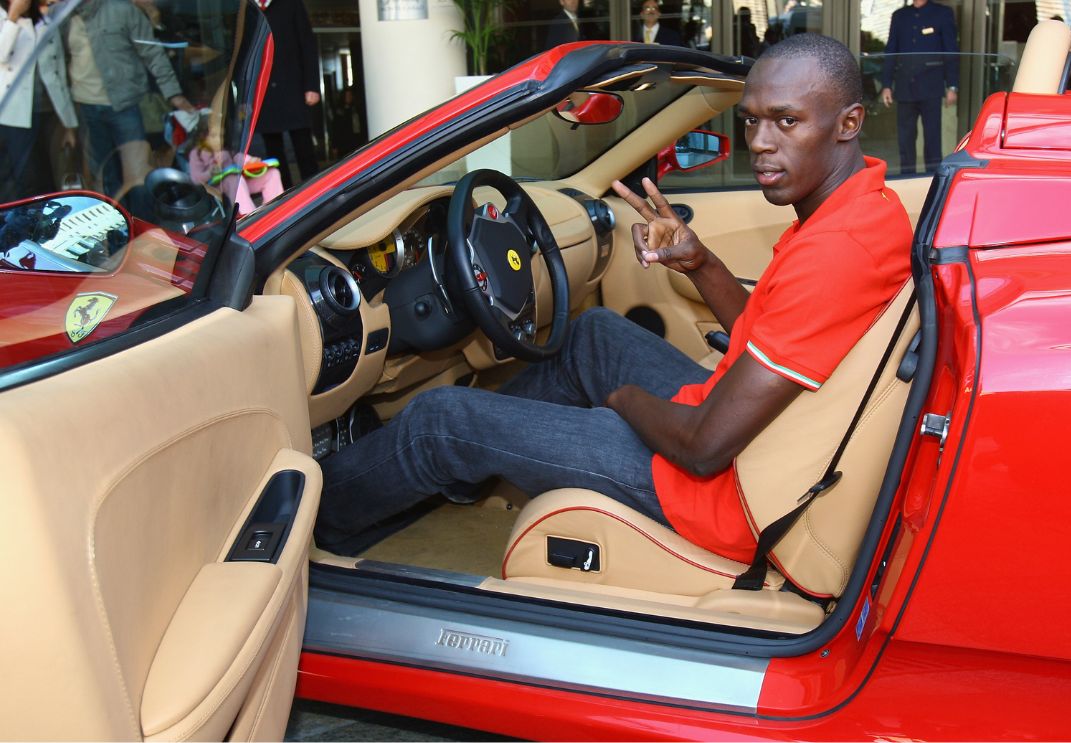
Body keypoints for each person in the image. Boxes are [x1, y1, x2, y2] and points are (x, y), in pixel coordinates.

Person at [313, 33, 913, 564]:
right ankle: (464, 470)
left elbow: (702, 449)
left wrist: (623, 402)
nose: (759, 142)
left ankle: (314, 527)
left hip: (720, 494)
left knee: (439, 422)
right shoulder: (860, 211)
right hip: (753, 441)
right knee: (590, 333)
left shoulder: (839, 251)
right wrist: (700, 263)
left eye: (786, 122)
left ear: (849, 123)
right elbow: (772, 330)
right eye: (751, 120)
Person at [64, 0, 195, 199]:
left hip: (125, 104)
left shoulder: (122, 10)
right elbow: (58, 64)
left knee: (137, 175)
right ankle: (116, 224)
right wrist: (67, 117)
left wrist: (174, 95)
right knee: (103, 177)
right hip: (86, 107)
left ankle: (143, 222)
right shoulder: (63, 18)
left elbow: (153, 54)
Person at [0, 0, 77, 201]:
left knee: (53, 178)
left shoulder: (45, 18)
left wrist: (68, 123)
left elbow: (59, 71)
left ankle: (50, 225)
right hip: (16, 115)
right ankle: (28, 225)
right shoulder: (4, 16)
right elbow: (1, 55)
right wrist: (13, 17)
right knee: (26, 179)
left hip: (50, 112)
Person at [878, 0, 958, 175]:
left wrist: (952, 85)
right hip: (905, 87)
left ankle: (932, 181)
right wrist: (886, 85)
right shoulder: (899, 16)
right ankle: (908, 178)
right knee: (905, 140)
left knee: (932, 140)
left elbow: (950, 51)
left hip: (931, 87)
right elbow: (891, 50)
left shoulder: (942, 13)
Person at [255, 0, 320, 188]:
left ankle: (316, 191)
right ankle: (283, 198)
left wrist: (312, 86)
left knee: (303, 146)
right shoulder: (248, 9)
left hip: (294, 86)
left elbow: (307, 44)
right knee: (273, 152)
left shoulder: (291, 4)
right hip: (264, 90)